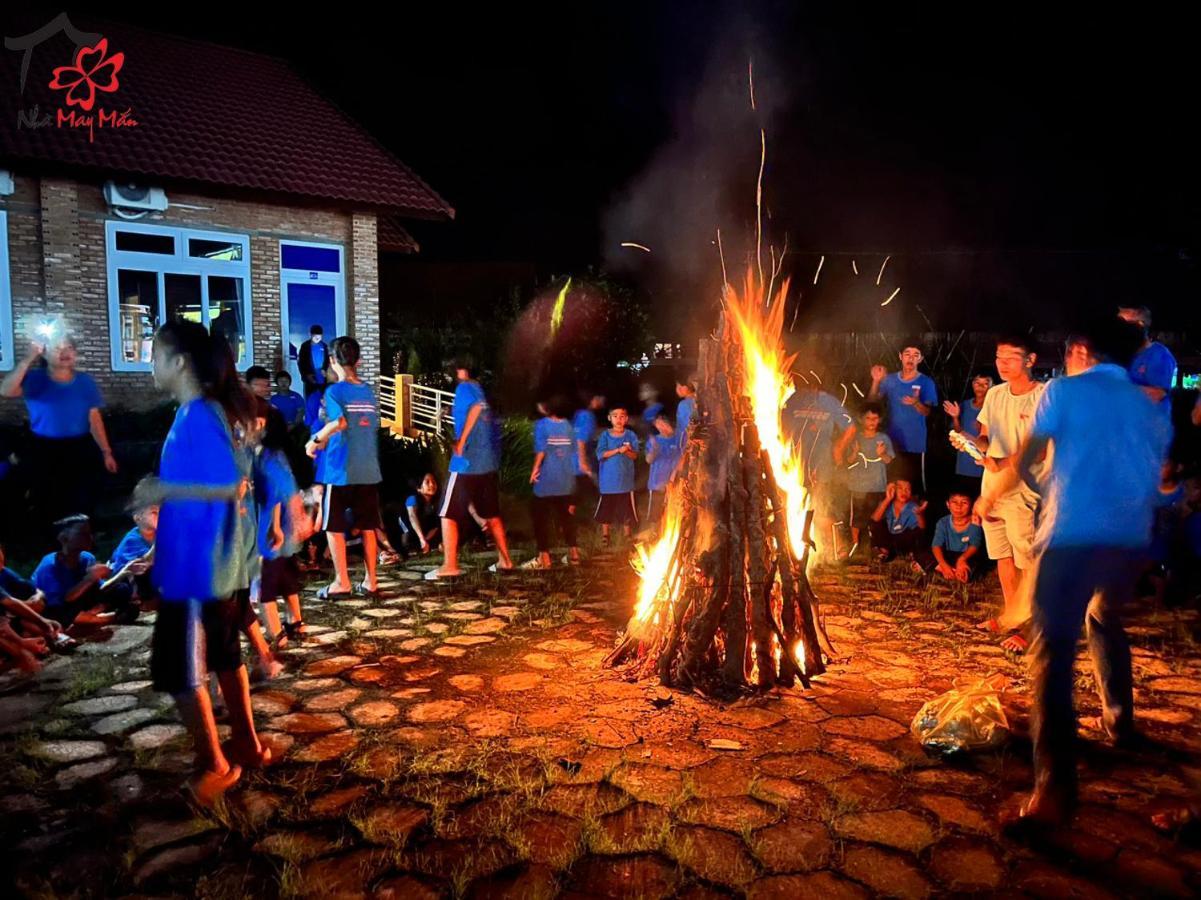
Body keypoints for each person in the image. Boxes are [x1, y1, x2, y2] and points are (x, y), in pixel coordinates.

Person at [977, 316, 1170, 828]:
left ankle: (1052, 793)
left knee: (1052, 654)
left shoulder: (1063, 392)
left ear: (1081, 349)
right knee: (1105, 618)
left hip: (1075, 536)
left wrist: (992, 491)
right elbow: (1156, 475)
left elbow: (1031, 455)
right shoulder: (1150, 405)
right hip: (1131, 542)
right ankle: (1119, 721)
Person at [148, 319, 267, 806]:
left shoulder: (198, 414)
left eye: (154, 355)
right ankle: (248, 744)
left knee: (181, 670)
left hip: (198, 569)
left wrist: (161, 491)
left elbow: (225, 485)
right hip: (222, 562)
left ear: (178, 363)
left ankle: (215, 764)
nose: (149, 364)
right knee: (224, 656)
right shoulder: (220, 411)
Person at [968, 336, 1045, 652]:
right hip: (992, 488)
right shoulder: (996, 394)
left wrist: (1003, 462)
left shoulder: (1042, 397)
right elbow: (985, 434)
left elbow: (1038, 450)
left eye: (1011, 357)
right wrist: (977, 446)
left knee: (1027, 560)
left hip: (1024, 489)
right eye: (999, 357)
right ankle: (1010, 616)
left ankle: (1031, 627)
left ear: (1030, 360)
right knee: (1002, 556)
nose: (1003, 364)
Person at [1, 331, 117, 529]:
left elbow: (94, 418)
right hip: (43, 448)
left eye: (69, 348)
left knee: (80, 495)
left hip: (79, 446)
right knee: (47, 495)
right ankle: (50, 541)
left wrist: (106, 452)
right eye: (58, 348)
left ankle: (80, 537)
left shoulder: (84, 382)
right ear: (45, 354)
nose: (65, 352)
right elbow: (6, 390)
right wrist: (29, 358)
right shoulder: (36, 379)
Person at [305, 337, 384, 598]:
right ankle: (371, 582)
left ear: (332, 361)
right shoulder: (369, 391)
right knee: (368, 525)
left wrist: (316, 441)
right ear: (358, 360)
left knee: (334, 526)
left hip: (340, 470)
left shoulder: (335, 391)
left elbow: (339, 422)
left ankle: (342, 582)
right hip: (368, 468)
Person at [428, 359, 514, 579]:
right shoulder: (479, 389)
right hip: (486, 462)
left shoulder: (465, 387)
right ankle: (505, 561)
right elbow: (477, 410)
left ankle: (450, 565)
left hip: (466, 462)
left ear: (462, 370)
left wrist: (461, 440)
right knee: (492, 513)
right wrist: (448, 410)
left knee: (447, 512)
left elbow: (475, 409)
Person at [785, 375, 854, 558]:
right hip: (796, 461)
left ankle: (840, 545)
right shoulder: (793, 399)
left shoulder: (829, 402)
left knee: (820, 504)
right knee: (799, 503)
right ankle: (800, 544)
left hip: (821, 462)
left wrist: (839, 448)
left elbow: (850, 427)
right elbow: (782, 425)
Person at [868, 344, 938, 491]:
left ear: (921, 359)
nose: (911, 358)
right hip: (892, 442)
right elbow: (872, 402)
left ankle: (914, 513)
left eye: (915, 355)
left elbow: (927, 412)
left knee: (913, 487)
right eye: (907, 354)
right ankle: (893, 513)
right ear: (900, 356)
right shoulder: (890, 380)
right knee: (892, 484)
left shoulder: (926, 382)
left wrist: (916, 403)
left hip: (915, 444)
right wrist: (876, 381)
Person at [33, 515, 118, 629]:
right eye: (82, 534)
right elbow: (61, 601)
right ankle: (96, 619)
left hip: (79, 607)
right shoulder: (50, 565)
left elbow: (99, 588)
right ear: (63, 538)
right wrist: (90, 578)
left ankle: (91, 618)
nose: (89, 538)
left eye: (89, 533)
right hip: (54, 611)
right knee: (61, 611)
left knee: (120, 589)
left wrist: (125, 572)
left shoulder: (87, 558)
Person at [528, 397, 581, 568]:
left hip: (547, 479)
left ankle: (544, 557)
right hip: (566, 479)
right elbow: (574, 451)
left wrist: (535, 470)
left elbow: (541, 451)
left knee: (540, 517)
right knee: (566, 517)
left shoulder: (542, 425)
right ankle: (574, 554)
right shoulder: (569, 426)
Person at [844, 403, 894, 556]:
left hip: (877, 485)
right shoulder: (856, 438)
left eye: (875, 418)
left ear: (880, 420)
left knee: (877, 518)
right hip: (858, 486)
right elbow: (849, 460)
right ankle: (856, 545)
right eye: (868, 418)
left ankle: (877, 546)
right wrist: (855, 452)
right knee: (857, 518)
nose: (872, 422)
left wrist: (882, 454)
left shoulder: (883, 438)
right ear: (861, 419)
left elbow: (888, 460)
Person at [103, 481, 158, 620]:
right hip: (123, 584)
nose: (160, 517)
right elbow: (143, 563)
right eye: (154, 512)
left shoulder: (157, 535)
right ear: (137, 517)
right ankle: (142, 602)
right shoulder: (133, 539)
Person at [1118, 306, 1176, 417]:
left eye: (1123, 324)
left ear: (1140, 325)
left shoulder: (1159, 355)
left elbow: (1158, 394)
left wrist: (1116, 389)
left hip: (1150, 427)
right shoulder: (1122, 354)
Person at [595, 406, 640, 546]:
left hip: (625, 482)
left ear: (626, 419)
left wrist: (627, 451)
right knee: (606, 509)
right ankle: (605, 535)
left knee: (626, 509)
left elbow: (634, 456)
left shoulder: (630, 435)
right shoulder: (605, 435)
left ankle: (627, 535)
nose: (618, 419)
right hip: (608, 482)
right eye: (615, 416)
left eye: (622, 416)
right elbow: (601, 454)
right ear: (609, 418)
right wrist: (618, 450)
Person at [942, 373, 994, 496]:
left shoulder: (995, 407)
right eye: (977, 383)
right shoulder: (964, 405)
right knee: (964, 497)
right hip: (964, 462)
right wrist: (955, 417)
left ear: (992, 386)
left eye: (985, 383)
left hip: (986, 463)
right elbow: (958, 431)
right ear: (972, 384)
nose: (980, 386)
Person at [922, 491, 985, 581]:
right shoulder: (943, 522)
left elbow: (975, 545)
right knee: (924, 554)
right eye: (954, 502)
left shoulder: (975, 521)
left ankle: (959, 573)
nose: (959, 506)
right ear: (948, 504)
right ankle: (947, 569)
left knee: (977, 564)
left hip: (967, 556)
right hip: (948, 555)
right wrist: (943, 564)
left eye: (964, 502)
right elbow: (936, 546)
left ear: (971, 505)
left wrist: (962, 560)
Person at [869, 480, 927, 565]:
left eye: (907, 489)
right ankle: (884, 552)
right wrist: (888, 499)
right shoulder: (888, 503)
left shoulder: (913, 506)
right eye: (900, 488)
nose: (904, 492)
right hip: (888, 540)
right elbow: (874, 520)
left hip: (902, 542)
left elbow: (922, 528)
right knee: (876, 524)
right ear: (894, 490)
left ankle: (911, 554)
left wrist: (919, 514)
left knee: (917, 532)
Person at [645, 414, 679, 523]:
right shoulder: (654, 440)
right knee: (655, 517)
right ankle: (653, 536)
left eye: (662, 423)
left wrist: (672, 478)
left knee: (671, 517)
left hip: (675, 484)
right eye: (657, 424)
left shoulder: (678, 439)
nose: (660, 427)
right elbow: (649, 460)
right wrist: (654, 450)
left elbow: (681, 459)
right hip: (657, 484)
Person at [400, 474, 443, 556]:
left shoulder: (436, 502)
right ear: (419, 488)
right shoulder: (412, 499)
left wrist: (426, 540)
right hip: (408, 529)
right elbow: (412, 517)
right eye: (427, 482)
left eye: (433, 482)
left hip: (424, 532)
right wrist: (422, 539)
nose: (432, 485)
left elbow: (436, 525)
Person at [297, 325, 329, 398]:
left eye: (319, 336)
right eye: (315, 336)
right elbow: (301, 363)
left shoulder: (324, 346)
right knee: (310, 398)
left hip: (322, 376)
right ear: (310, 335)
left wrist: (325, 370)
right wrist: (306, 375)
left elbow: (327, 361)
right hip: (310, 377)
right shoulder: (305, 346)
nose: (317, 338)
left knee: (323, 397)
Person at [675, 376, 697, 448]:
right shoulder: (698, 399)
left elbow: (686, 426)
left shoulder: (683, 404)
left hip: (687, 443)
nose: (677, 389)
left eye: (679, 386)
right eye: (677, 386)